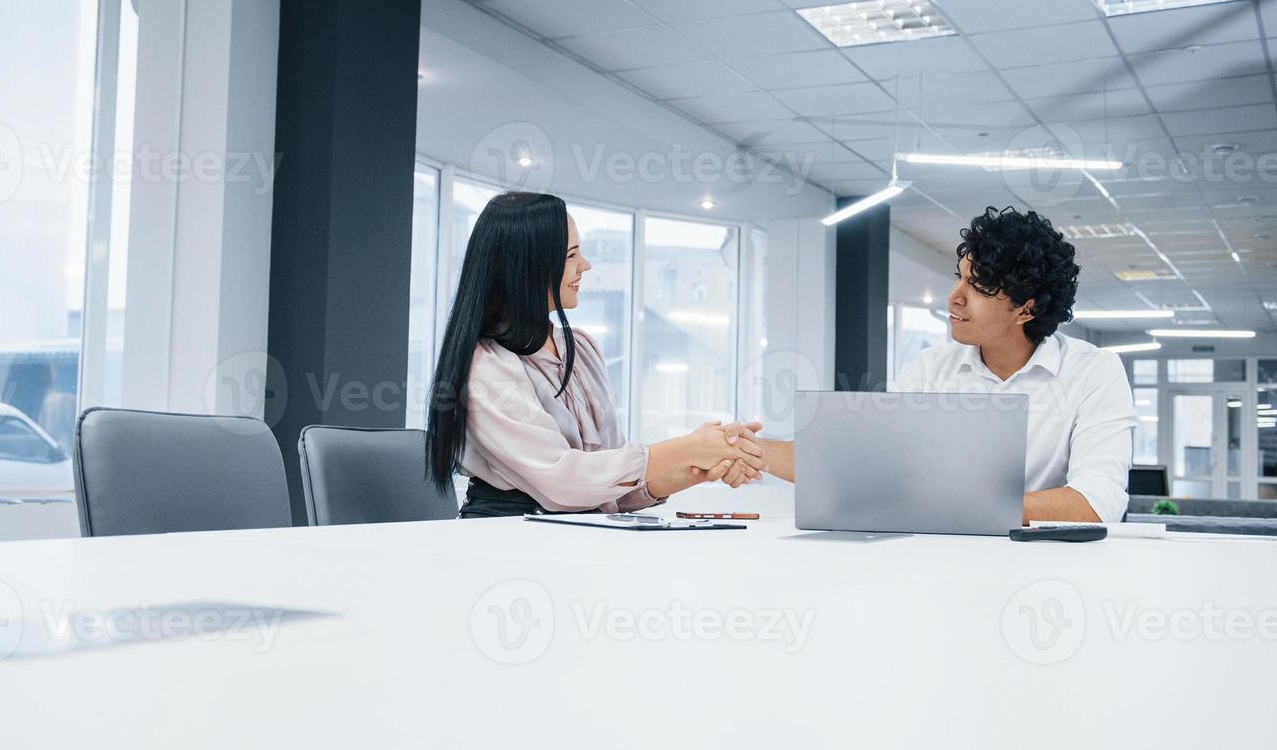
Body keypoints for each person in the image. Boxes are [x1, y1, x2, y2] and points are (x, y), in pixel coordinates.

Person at [758, 206, 1136, 524]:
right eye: (960, 277)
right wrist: (750, 449)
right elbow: (867, 469)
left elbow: (1094, 504)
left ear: (1027, 309)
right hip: (935, 563)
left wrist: (959, 506)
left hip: (1047, 570)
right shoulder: (930, 369)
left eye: (978, 286)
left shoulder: (1093, 373)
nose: (954, 297)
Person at [425, 191, 764, 519]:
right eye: (571, 255)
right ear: (528, 268)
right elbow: (564, 482)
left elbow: (606, 485)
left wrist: (696, 466)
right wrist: (686, 448)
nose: (585, 266)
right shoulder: (487, 365)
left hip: (576, 533)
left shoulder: (582, 348)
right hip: (509, 537)